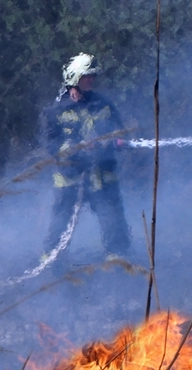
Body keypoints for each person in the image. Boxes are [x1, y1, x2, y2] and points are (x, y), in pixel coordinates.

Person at [42, 52, 130, 262]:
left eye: (92, 76)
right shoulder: (55, 111)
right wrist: (76, 147)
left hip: (102, 175)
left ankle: (118, 261)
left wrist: (117, 140)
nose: (91, 80)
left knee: (112, 218)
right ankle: (52, 262)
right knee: (61, 221)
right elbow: (51, 144)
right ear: (74, 77)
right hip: (70, 177)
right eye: (86, 76)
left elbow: (120, 130)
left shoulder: (103, 104)